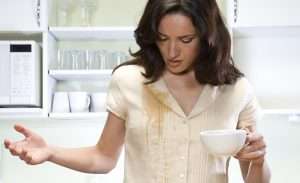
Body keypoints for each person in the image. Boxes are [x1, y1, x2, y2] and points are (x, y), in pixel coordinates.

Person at [4, 0, 271, 182]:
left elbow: (254, 178)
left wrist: (257, 161)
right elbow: (104, 157)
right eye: (163, 39)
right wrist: (50, 152)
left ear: (209, 37)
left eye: (186, 40)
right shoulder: (129, 80)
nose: (172, 52)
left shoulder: (236, 91)